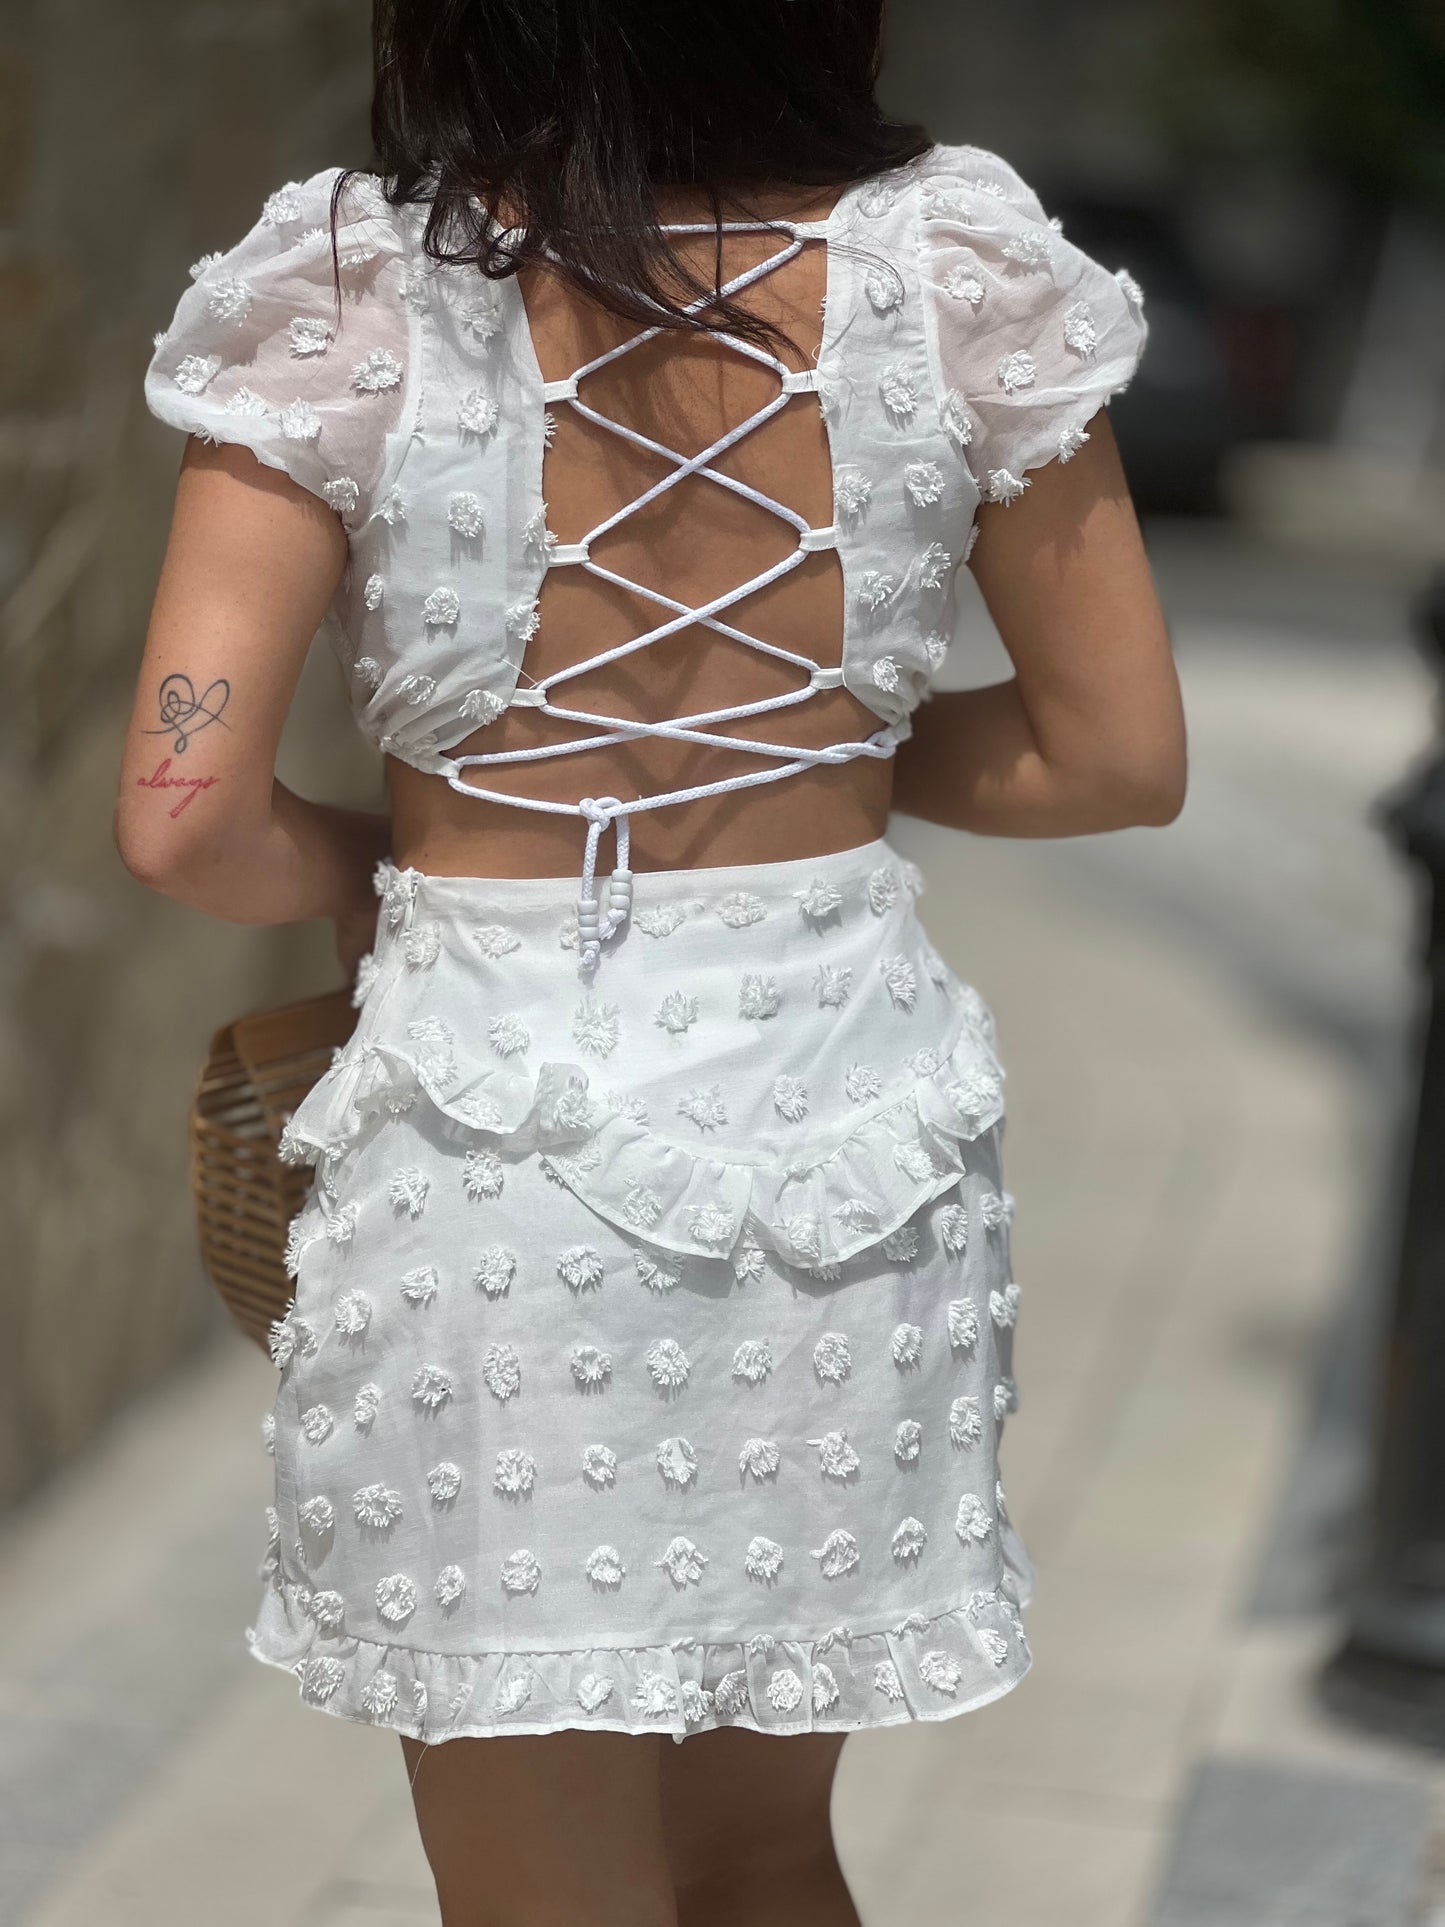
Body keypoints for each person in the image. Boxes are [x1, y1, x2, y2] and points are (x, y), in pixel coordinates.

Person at [115, 0, 1185, 1919]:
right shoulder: (953, 264)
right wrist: (826, 755)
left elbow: (184, 813)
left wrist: (396, 846)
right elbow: (1112, 754)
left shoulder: (352, 281)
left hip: (495, 1153)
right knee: (765, 1857)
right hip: (853, 1139)